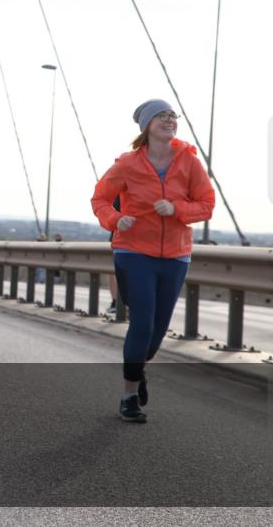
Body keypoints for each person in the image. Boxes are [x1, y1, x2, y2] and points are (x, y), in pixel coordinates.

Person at [91, 99, 215, 423]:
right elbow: (100, 198)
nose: (169, 120)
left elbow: (206, 205)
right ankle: (129, 395)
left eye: (173, 116)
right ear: (147, 125)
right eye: (162, 116)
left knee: (158, 330)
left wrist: (176, 208)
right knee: (142, 322)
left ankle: (138, 370)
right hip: (133, 251)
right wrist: (116, 219)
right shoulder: (128, 164)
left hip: (175, 255)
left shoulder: (189, 163)